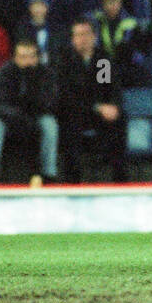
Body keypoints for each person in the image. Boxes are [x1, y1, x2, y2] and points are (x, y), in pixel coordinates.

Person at [57, 17, 126, 182]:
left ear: (94, 37)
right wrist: (97, 107)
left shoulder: (102, 60)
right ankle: (72, 181)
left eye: (87, 34)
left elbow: (109, 89)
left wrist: (113, 107)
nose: (83, 39)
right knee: (69, 123)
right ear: (72, 39)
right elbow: (66, 96)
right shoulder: (64, 60)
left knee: (120, 119)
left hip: (99, 113)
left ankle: (119, 179)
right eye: (78, 35)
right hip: (74, 112)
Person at [0, 37, 60, 183]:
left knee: (49, 124)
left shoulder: (47, 74)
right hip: (11, 118)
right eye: (23, 57)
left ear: (38, 58)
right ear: (15, 58)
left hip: (37, 116)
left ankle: (49, 174)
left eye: (31, 56)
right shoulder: (5, 72)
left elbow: (51, 101)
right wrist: (19, 116)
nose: (28, 61)